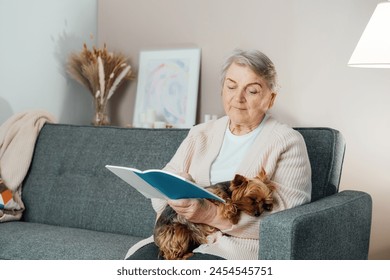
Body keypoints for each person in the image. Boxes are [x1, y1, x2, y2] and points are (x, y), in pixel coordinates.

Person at [126, 49, 312, 260]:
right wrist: (177, 198)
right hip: (182, 235)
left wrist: (210, 215)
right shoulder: (200, 133)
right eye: (231, 86)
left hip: (236, 247)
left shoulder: (287, 141)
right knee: (137, 262)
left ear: (271, 98)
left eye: (251, 90)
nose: (238, 98)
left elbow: (286, 221)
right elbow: (164, 184)